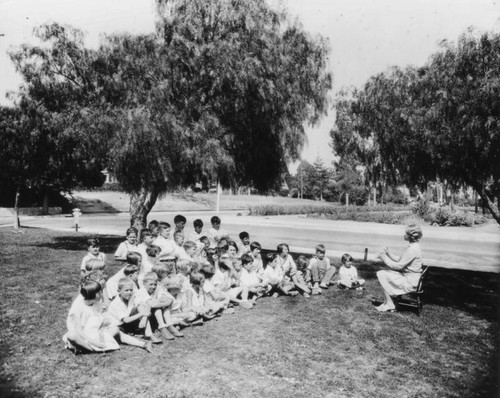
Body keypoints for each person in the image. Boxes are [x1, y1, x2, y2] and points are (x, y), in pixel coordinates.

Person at [63, 281, 152, 353]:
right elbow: (78, 330)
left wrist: (101, 331)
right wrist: (92, 341)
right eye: (99, 292)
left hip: (95, 332)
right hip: (83, 336)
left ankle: (142, 344)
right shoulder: (78, 308)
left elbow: (99, 323)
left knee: (115, 329)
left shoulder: (97, 304)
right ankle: (92, 349)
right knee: (72, 335)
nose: (102, 294)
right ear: (92, 294)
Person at [375, 224, 424, 312]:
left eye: (406, 233)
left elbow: (398, 266)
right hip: (411, 278)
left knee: (382, 274)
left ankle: (389, 304)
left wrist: (384, 258)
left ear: (410, 236)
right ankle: (387, 303)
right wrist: (388, 253)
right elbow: (401, 260)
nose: (404, 235)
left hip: (410, 282)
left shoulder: (412, 249)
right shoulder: (415, 247)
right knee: (383, 274)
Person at [107, 278, 161, 344]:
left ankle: (149, 334)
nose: (129, 292)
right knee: (140, 308)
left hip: (129, 324)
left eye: (131, 290)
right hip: (119, 326)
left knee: (140, 306)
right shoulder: (116, 303)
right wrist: (142, 313)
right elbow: (126, 320)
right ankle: (144, 334)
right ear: (119, 291)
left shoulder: (133, 295)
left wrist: (144, 318)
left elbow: (147, 305)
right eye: (126, 290)